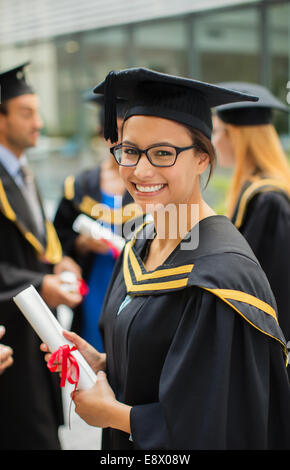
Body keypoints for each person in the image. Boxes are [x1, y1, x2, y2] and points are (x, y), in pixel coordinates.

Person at [42, 68, 290, 450]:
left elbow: (219, 421)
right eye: (129, 151)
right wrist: (107, 363)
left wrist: (110, 415)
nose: (140, 170)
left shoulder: (220, 277)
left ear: (203, 159)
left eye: (163, 153)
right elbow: (172, 367)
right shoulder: (141, 242)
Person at [0, 62, 82, 450]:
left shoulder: (21, 171)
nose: (39, 123)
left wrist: (57, 263)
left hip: (34, 331)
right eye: (27, 113)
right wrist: (38, 284)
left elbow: (33, 242)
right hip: (6, 339)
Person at [53, 93, 143, 351]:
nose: (119, 142)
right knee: (94, 348)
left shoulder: (149, 183)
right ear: (101, 133)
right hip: (95, 284)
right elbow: (57, 240)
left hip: (135, 286)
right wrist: (81, 243)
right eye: (112, 133)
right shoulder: (79, 186)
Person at [212, 82, 290, 345]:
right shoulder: (255, 191)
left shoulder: (268, 199)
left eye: (219, 132)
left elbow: (272, 284)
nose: (214, 141)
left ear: (236, 136)